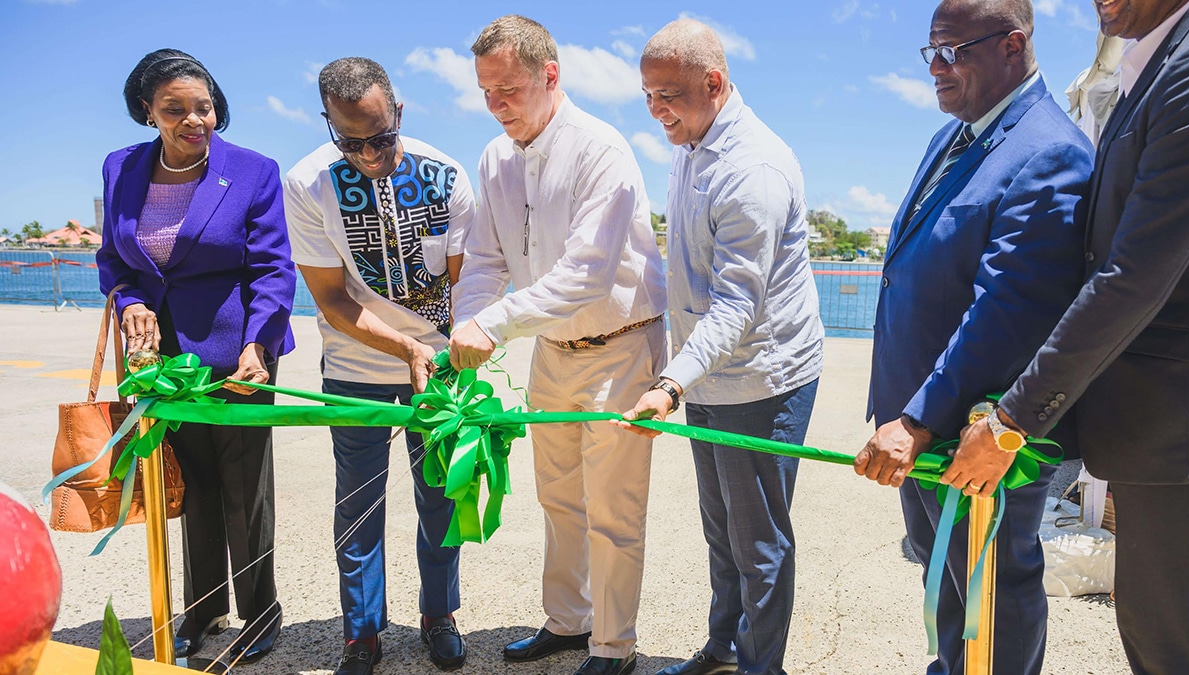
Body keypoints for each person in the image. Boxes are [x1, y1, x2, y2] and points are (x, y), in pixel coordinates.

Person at [951, 1, 1189, 672]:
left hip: (1178, 437)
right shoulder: (1153, 66)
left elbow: (1132, 278)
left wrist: (1010, 421)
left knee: (1171, 648)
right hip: (1155, 436)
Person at [851, 1, 1094, 673]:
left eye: (952, 50)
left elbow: (1007, 311)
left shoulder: (1049, 151)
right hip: (918, 422)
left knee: (994, 592)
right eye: (929, 51)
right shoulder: (952, 138)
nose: (935, 66)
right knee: (950, 587)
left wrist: (920, 418)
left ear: (1013, 44)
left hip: (974, 436)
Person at [449, 15, 667, 675]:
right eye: (486, 92)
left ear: (551, 75)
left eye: (509, 89)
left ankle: (613, 645)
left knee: (613, 507)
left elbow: (586, 273)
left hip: (621, 346)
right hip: (552, 351)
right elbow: (484, 259)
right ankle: (570, 620)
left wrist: (493, 325)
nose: (497, 105)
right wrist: (467, 320)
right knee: (557, 496)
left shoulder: (602, 148)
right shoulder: (493, 157)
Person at [620, 18, 825, 675]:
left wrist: (670, 382)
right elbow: (686, 273)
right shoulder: (688, 143)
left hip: (763, 379)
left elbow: (737, 303)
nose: (657, 111)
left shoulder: (753, 169)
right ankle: (725, 647)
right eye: (648, 96)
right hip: (706, 376)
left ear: (714, 82)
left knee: (758, 540)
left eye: (668, 96)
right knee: (720, 527)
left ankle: (763, 667)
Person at [97, 48, 295, 663]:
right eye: (174, 109)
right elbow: (113, 259)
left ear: (217, 108)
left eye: (203, 107)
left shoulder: (255, 171)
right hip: (160, 356)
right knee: (191, 484)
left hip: (241, 351)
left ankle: (261, 612)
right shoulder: (120, 168)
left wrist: (258, 344)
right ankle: (204, 608)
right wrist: (127, 300)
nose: (193, 120)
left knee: (245, 486)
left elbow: (273, 269)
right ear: (147, 113)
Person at [282, 57, 475, 674]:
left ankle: (439, 615)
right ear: (327, 123)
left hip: (440, 373)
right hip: (354, 366)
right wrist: (405, 348)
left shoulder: (447, 175)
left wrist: (442, 354)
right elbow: (333, 300)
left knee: (441, 498)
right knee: (359, 505)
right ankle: (360, 634)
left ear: (399, 111)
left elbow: (466, 288)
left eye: (381, 137)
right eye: (350, 141)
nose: (368, 153)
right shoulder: (307, 182)